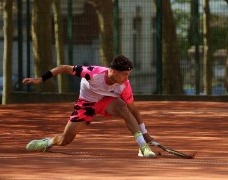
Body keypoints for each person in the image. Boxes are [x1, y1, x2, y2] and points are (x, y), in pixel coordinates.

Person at [22, 55, 157, 157]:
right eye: (125, 74)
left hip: (106, 101)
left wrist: (145, 134)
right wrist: (40, 79)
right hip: (85, 104)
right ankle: (47, 143)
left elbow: (134, 110)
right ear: (114, 71)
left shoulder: (124, 85)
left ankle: (143, 147)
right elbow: (63, 68)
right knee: (65, 139)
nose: (127, 79)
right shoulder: (92, 73)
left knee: (124, 108)